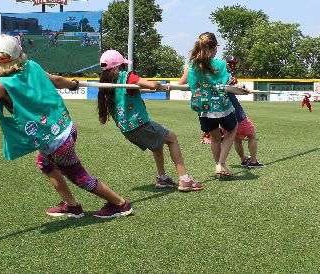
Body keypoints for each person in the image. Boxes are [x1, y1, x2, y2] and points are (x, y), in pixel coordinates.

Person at [0, 35, 132, 219]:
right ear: (20, 53)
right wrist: (73, 84)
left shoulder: (2, 85)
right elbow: (57, 80)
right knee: (44, 162)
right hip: (65, 127)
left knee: (79, 175)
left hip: (56, 143)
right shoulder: (33, 66)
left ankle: (120, 204)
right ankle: (71, 205)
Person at [96, 49, 203, 192]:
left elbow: (134, 90)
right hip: (140, 124)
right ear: (117, 66)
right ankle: (184, 179)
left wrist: (156, 90)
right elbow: (152, 85)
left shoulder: (108, 82)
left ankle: (162, 178)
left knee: (157, 145)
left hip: (127, 129)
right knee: (172, 138)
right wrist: (159, 86)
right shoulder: (126, 76)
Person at [178, 32, 238, 177]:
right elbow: (228, 82)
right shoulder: (221, 64)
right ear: (213, 48)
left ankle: (219, 165)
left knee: (214, 136)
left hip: (203, 108)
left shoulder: (191, 65)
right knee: (233, 128)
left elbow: (182, 82)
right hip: (221, 107)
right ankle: (221, 164)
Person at [221, 55, 264, 168]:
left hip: (225, 111)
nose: (232, 66)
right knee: (252, 135)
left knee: (237, 138)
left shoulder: (221, 74)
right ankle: (253, 161)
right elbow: (229, 87)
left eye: (233, 64)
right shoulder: (224, 75)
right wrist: (243, 88)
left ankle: (244, 160)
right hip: (235, 111)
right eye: (230, 63)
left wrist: (241, 88)